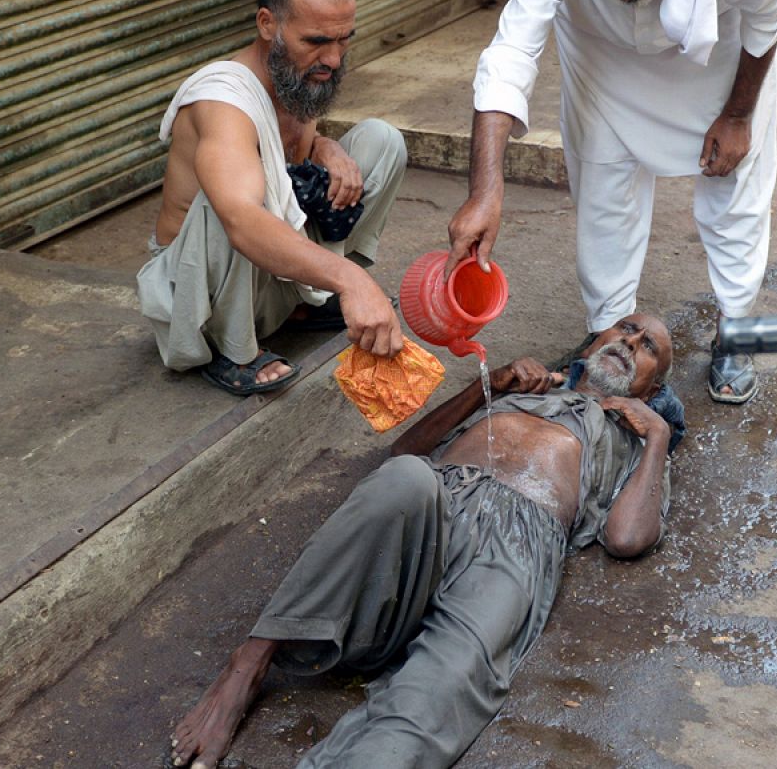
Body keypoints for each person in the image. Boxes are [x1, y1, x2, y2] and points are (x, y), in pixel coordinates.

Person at [168, 314, 678, 769]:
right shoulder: (525, 389)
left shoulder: (635, 436)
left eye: (648, 347)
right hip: (438, 503)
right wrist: (489, 387)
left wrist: (656, 439)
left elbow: (627, 538)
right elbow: (404, 450)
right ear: (591, 344)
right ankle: (249, 663)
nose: (631, 344)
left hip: (518, 547)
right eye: (626, 330)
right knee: (406, 476)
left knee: (443, 685)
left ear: (653, 391)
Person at [449, 0, 777, 405]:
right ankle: (609, 332)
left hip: (719, 53)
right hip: (602, 53)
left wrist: (739, 114)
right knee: (603, 186)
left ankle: (736, 330)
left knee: (735, 191)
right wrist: (485, 191)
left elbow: (766, 20)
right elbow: (511, 52)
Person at [136, 0, 408, 396]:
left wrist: (325, 146)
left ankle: (303, 308)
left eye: (344, 40)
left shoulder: (296, 74)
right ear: (268, 25)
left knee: (382, 141)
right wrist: (352, 280)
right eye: (317, 42)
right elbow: (242, 220)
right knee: (235, 200)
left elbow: (287, 159)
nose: (335, 59)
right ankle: (233, 347)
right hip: (200, 295)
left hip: (269, 277)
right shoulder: (223, 100)